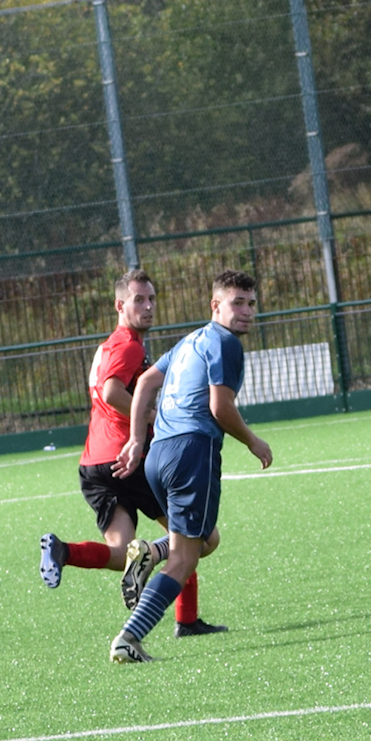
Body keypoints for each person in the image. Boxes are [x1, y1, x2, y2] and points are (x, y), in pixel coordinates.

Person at [37, 267, 224, 638]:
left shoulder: (108, 346)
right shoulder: (129, 345)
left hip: (95, 463)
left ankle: (63, 551)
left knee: (121, 551)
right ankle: (180, 607)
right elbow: (111, 392)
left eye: (152, 298)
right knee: (201, 538)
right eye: (139, 300)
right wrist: (153, 417)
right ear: (119, 305)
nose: (148, 306)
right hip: (129, 458)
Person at [107, 270, 274, 664]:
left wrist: (137, 439)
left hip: (159, 454)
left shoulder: (189, 341)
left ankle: (152, 551)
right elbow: (220, 407)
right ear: (216, 305)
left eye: (251, 304)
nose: (246, 311)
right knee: (185, 559)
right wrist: (253, 441)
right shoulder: (226, 343)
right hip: (191, 452)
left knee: (206, 539)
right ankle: (129, 637)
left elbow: (146, 383)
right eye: (237, 303)